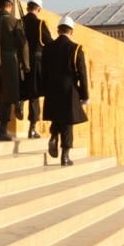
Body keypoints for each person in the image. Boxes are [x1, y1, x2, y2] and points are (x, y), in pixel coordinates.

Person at [42, 15, 89, 166]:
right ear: (71, 31)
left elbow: (43, 71)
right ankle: (65, 155)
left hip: (52, 87)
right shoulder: (76, 49)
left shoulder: (48, 48)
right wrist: (84, 95)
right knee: (67, 122)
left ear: (58, 30)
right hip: (69, 89)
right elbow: (82, 74)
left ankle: (54, 135)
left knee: (57, 116)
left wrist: (45, 88)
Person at [0, 0, 29, 141]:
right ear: (9, 5)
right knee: (8, 96)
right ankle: (2, 130)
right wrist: (26, 64)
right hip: (9, 60)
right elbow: (23, 44)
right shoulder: (14, 22)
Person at [21, 0, 53, 138]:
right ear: (38, 9)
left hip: (20, 61)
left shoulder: (20, 22)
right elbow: (50, 44)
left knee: (22, 90)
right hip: (35, 62)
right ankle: (32, 127)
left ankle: (19, 104)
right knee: (34, 95)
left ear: (28, 8)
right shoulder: (40, 25)